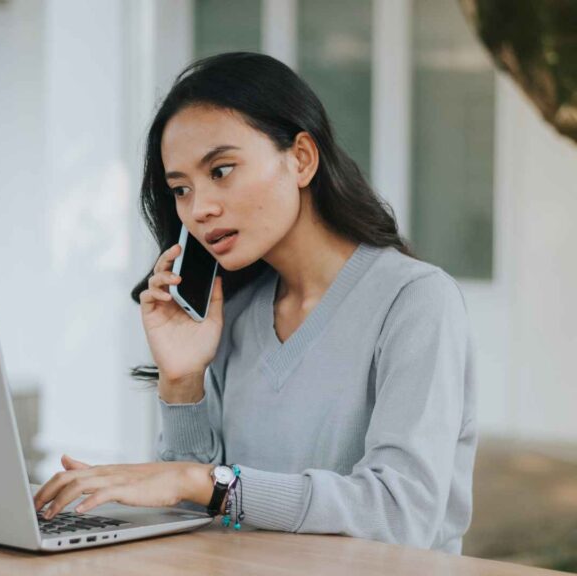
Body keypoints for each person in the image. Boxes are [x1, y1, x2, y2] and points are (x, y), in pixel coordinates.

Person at [32, 52, 476, 554]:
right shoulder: (234, 312)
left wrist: (204, 482)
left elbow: (400, 514)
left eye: (221, 170)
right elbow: (194, 512)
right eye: (181, 188)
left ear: (302, 158)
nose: (200, 209)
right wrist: (182, 382)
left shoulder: (415, 301)